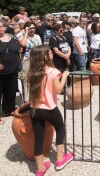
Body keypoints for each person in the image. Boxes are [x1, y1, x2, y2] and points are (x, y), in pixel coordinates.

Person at [27, 45, 74, 175]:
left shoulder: (32, 71)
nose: (52, 55)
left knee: (39, 137)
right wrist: (64, 75)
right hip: (49, 108)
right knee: (60, 128)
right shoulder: (52, 71)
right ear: (46, 56)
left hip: (35, 108)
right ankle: (59, 160)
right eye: (50, 53)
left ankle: (40, 168)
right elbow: (58, 90)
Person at [0, 19, 21, 125]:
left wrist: (20, 66)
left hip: (13, 71)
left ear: (5, 27)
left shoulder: (13, 37)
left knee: (10, 93)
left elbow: (18, 51)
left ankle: (9, 109)